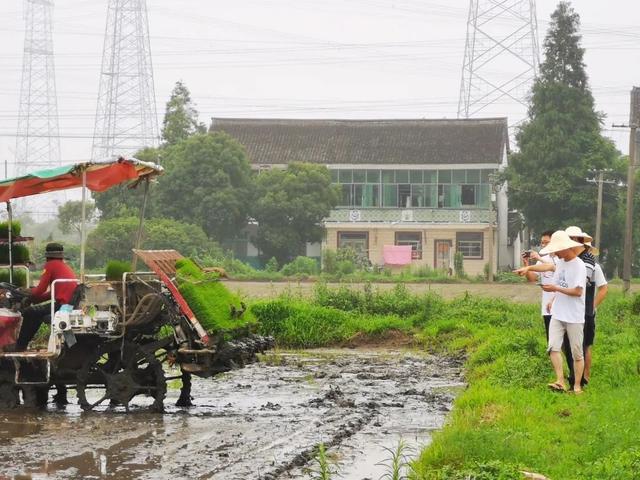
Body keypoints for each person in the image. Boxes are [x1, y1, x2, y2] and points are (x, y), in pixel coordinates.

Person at [535, 230, 586, 393]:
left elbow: (578, 292)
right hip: (557, 313)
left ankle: (577, 386)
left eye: (556, 250)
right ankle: (560, 380)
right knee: (553, 347)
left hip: (574, 315)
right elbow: (557, 285)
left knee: (577, 352)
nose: (555, 254)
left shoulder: (579, 265)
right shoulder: (561, 263)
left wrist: (556, 288)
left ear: (565, 248)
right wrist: (552, 299)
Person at [563, 226, 608, 387]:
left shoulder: (591, 264)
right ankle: (574, 375)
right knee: (569, 344)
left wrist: (592, 306)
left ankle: (584, 377)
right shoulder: (567, 261)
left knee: (585, 345)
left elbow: (603, 288)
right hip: (570, 311)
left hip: (585, 312)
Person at [15, 243, 78, 351]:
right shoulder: (63, 266)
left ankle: (19, 347)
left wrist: (26, 292)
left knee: (30, 312)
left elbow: (40, 289)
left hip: (61, 305)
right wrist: (36, 299)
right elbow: (53, 293)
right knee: (37, 314)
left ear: (47, 255)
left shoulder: (50, 265)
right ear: (61, 255)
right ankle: (72, 347)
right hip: (68, 304)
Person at [520, 230, 557, 341]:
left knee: (565, 344)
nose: (543, 245)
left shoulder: (562, 258)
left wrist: (539, 258)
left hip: (561, 308)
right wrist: (526, 264)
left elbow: (555, 267)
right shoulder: (543, 258)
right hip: (547, 308)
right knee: (552, 342)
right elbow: (532, 278)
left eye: (546, 242)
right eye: (542, 243)